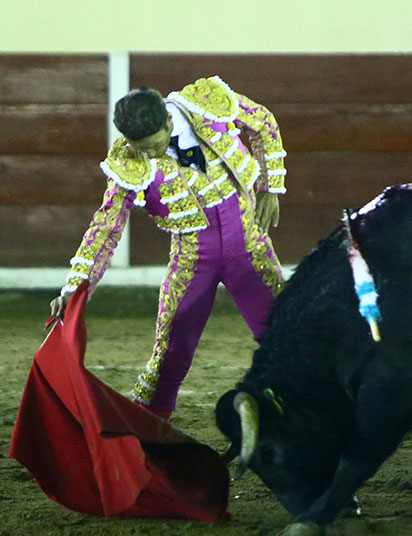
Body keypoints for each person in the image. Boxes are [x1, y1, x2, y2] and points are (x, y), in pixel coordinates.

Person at [49, 76, 288, 421]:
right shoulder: (128, 160)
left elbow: (263, 121)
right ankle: (150, 436)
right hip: (193, 259)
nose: (148, 155)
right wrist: (75, 288)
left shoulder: (207, 104)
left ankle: (312, 420)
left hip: (250, 246)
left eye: (154, 145)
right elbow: (106, 226)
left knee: (283, 336)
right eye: (140, 148)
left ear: (168, 122)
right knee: (170, 352)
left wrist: (270, 186)